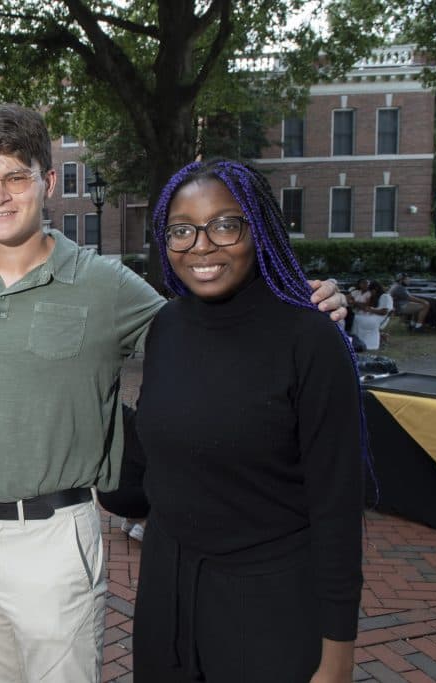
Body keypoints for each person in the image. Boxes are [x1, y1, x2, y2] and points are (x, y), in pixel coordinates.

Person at [0, 104, 349, 683]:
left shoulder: (106, 284)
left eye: (16, 177)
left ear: (47, 182)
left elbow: (213, 325)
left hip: (52, 538)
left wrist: (305, 301)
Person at [101, 159, 364, 682]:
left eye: (225, 224)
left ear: (258, 228)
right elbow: (161, 454)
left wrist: (337, 654)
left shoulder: (310, 337)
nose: (201, 245)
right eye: (182, 229)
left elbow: (337, 506)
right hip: (168, 597)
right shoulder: (168, 327)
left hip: (269, 604)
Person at [351, 280, 393, 350]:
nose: (370, 293)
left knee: (361, 320)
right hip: (373, 314)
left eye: (371, 291)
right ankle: (357, 342)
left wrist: (371, 310)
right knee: (356, 317)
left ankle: (369, 344)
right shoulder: (376, 297)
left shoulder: (386, 296)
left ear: (376, 289)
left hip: (380, 317)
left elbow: (384, 312)